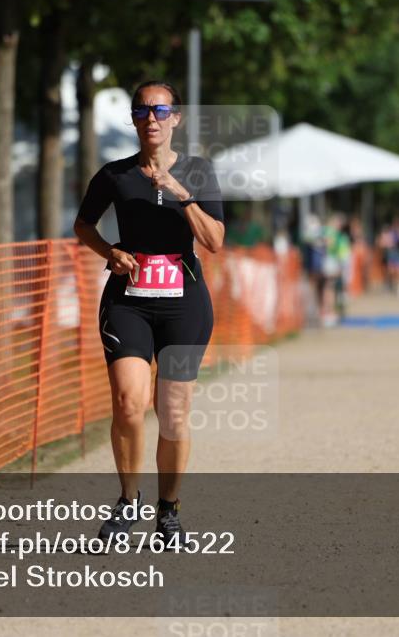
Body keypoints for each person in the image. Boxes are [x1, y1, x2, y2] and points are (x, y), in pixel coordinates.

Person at [72, 80, 225, 545]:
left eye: (160, 111)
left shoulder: (198, 172)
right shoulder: (115, 175)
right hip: (129, 301)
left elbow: (215, 241)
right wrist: (109, 251)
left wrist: (181, 193)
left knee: (173, 411)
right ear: (134, 121)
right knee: (127, 401)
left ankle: (170, 510)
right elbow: (82, 225)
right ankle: (128, 500)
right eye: (141, 112)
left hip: (185, 304)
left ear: (176, 117)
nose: (151, 119)